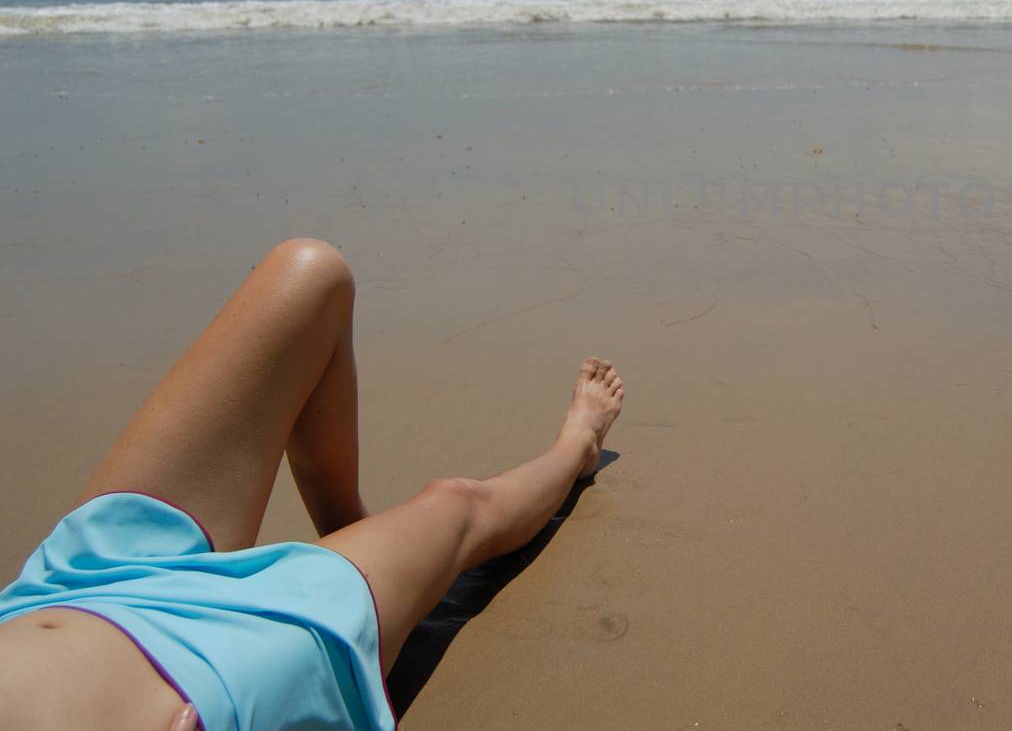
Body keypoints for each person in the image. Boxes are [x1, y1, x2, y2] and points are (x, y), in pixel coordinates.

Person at [0, 238, 624, 730]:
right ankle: (577, 447)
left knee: (309, 275)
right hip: (213, 686)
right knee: (457, 505)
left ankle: (349, 529)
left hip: (71, 585)